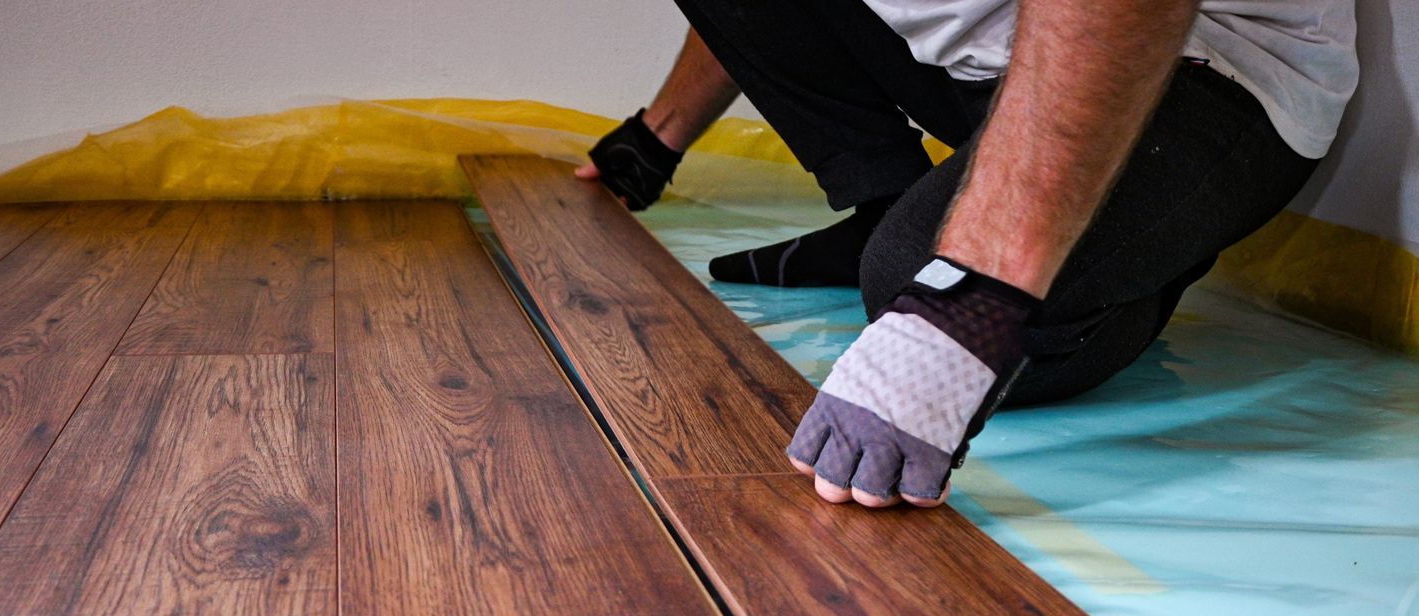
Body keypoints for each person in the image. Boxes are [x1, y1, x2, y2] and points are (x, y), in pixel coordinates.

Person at [577, 0, 1357, 509]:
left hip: (1192, 65)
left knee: (913, 286)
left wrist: (974, 294)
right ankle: (887, 206)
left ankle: (1135, 259)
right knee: (908, 262)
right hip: (986, 63)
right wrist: (657, 137)